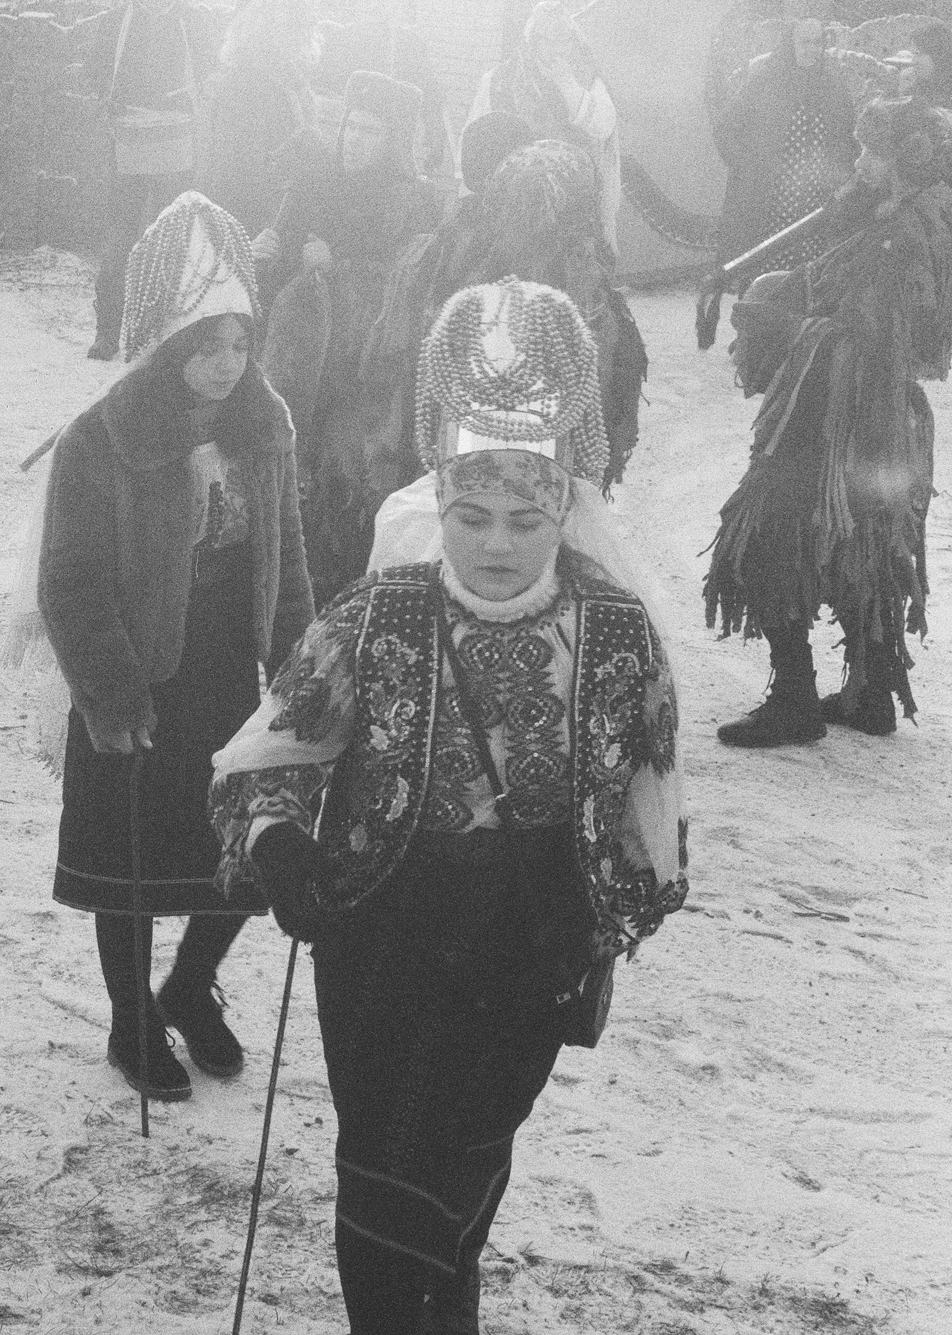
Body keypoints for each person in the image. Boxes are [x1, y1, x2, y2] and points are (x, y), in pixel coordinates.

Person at [211, 278, 688, 1334]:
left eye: (525, 517)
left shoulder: (614, 635)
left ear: (564, 509)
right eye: (470, 515)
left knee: (455, 1170)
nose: (496, 543)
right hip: (378, 928)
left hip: (523, 942)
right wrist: (284, 848)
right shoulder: (379, 612)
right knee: (377, 1163)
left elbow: (645, 812)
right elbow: (270, 755)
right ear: (438, 504)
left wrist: (586, 922)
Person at [29, 191, 315, 1100]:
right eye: (206, 347)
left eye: (239, 345)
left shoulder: (263, 429)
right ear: (167, 344)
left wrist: (301, 671)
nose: (227, 365)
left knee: (238, 847)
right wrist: (110, 695)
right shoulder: (100, 440)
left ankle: (188, 986)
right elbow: (69, 580)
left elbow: (290, 559)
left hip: (230, 662)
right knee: (134, 855)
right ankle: (128, 1018)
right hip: (140, 665)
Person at [707, 96, 951, 745]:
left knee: (762, 537)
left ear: (903, 162)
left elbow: (864, 337)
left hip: (844, 412)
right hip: (889, 422)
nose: (860, 161)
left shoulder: (901, 238)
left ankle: (792, 700)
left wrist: (781, 323)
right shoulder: (902, 218)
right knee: (865, 551)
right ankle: (869, 694)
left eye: (872, 151)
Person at [360, 136, 649, 515]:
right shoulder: (458, 270)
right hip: (464, 483)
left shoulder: (584, 291)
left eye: (539, 206)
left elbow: (602, 410)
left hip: (540, 490)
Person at [255, 68, 442, 605]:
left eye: (369, 130)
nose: (352, 139)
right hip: (304, 373)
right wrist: (270, 253)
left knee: (348, 493)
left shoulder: (414, 202)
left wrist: (338, 268)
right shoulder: (317, 189)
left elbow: (410, 288)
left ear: (396, 140)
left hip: (367, 380)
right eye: (349, 127)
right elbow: (278, 285)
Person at [83, 0, 217, 360]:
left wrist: (188, 101)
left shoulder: (193, 24)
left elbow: (210, 71)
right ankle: (108, 330)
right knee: (120, 239)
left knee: (174, 236)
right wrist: (113, 101)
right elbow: (95, 70)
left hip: (178, 143)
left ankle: (165, 330)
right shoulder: (115, 24)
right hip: (128, 141)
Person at [712, 17, 856, 281]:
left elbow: (848, 138)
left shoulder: (833, 87)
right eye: (804, 42)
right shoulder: (765, 82)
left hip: (813, 205)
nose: (811, 49)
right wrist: (747, 169)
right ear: (790, 44)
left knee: (805, 278)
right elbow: (726, 129)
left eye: (817, 43)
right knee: (763, 274)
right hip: (769, 200)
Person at [472, 0, 622, 250]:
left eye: (565, 40)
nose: (559, 50)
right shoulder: (499, 80)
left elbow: (604, 126)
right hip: (516, 203)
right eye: (549, 40)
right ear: (532, 42)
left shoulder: (585, 77)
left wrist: (567, 84)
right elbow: (477, 139)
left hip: (574, 205)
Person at [198, 0, 320, 241]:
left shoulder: (290, 76)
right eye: (286, 26)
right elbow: (236, 171)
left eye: (299, 27)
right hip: (252, 222)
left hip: (279, 213)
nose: (297, 36)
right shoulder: (246, 82)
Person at [316, 0, 452, 177]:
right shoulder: (338, 42)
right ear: (355, 5)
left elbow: (430, 96)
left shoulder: (409, 44)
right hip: (347, 142)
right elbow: (323, 94)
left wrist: (435, 137)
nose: (374, 6)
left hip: (397, 145)